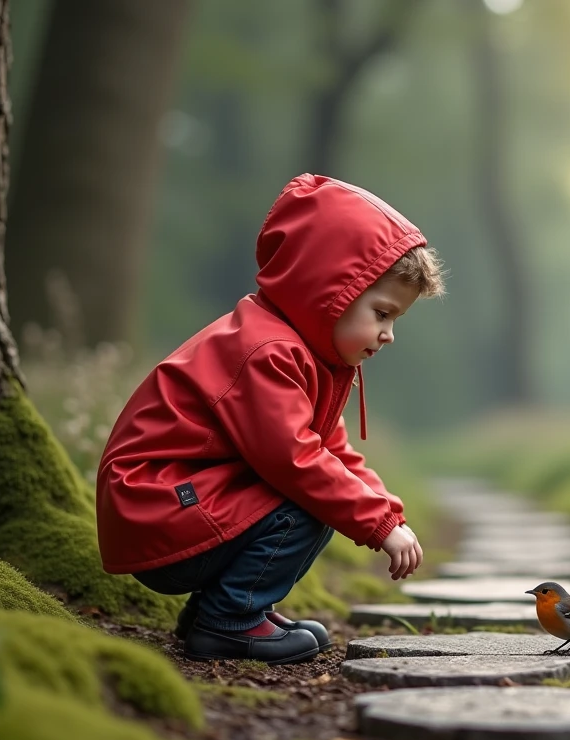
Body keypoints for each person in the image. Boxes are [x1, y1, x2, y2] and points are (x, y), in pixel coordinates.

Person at [95, 173, 445, 665]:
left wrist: (387, 512)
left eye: (394, 321)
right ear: (332, 290)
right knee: (310, 499)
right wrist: (376, 523)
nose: (387, 334)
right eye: (382, 313)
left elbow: (334, 452)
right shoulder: (268, 351)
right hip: (156, 502)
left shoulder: (310, 355)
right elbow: (296, 461)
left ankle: (215, 612)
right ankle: (230, 621)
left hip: (181, 500)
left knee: (325, 492)